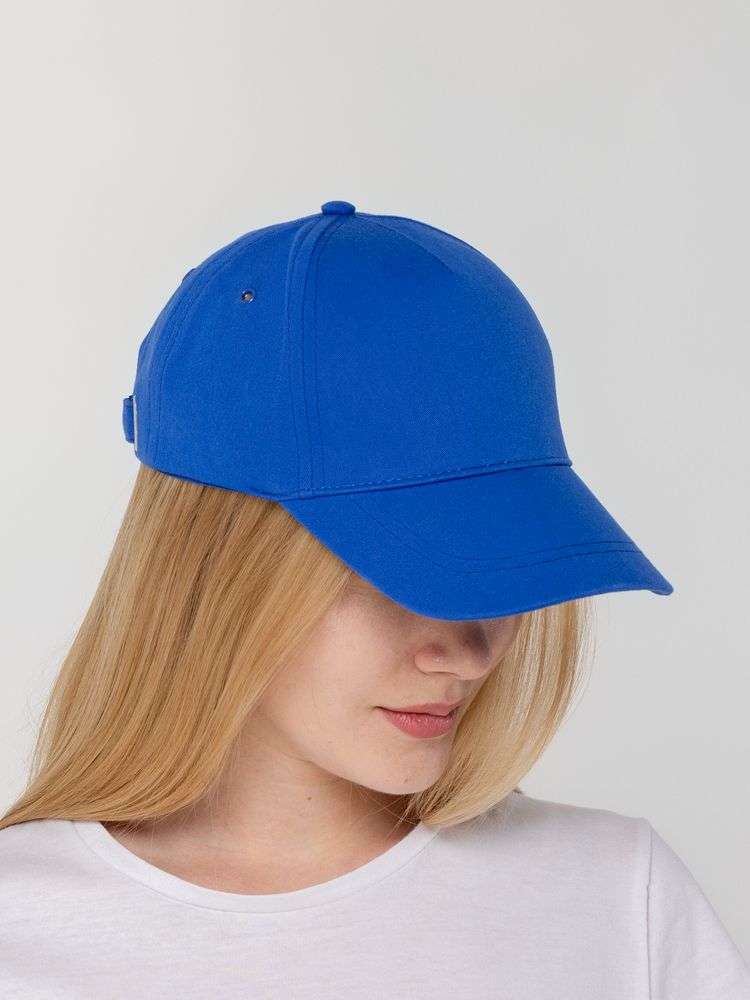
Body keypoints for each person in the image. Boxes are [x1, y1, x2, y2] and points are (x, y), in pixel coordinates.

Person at [1, 199, 747, 998]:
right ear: (216, 565)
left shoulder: (617, 902)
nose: (467, 654)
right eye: (392, 571)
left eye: (499, 567)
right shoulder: (23, 931)